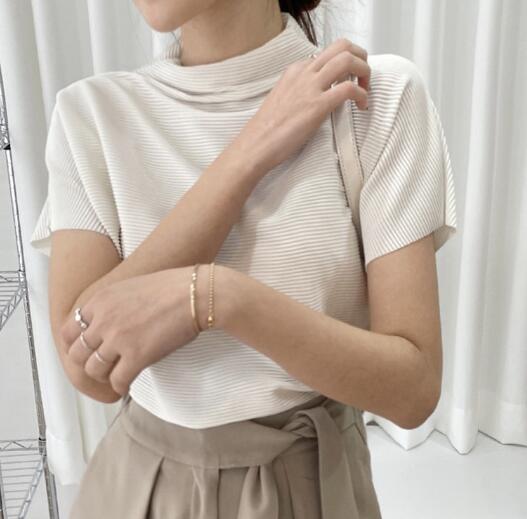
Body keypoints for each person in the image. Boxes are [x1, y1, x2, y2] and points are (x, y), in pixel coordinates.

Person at [29, 0, 457, 517]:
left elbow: (413, 390)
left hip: (311, 489)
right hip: (139, 489)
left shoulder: (367, 96)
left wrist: (216, 297)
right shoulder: (91, 115)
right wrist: (251, 149)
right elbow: (90, 372)